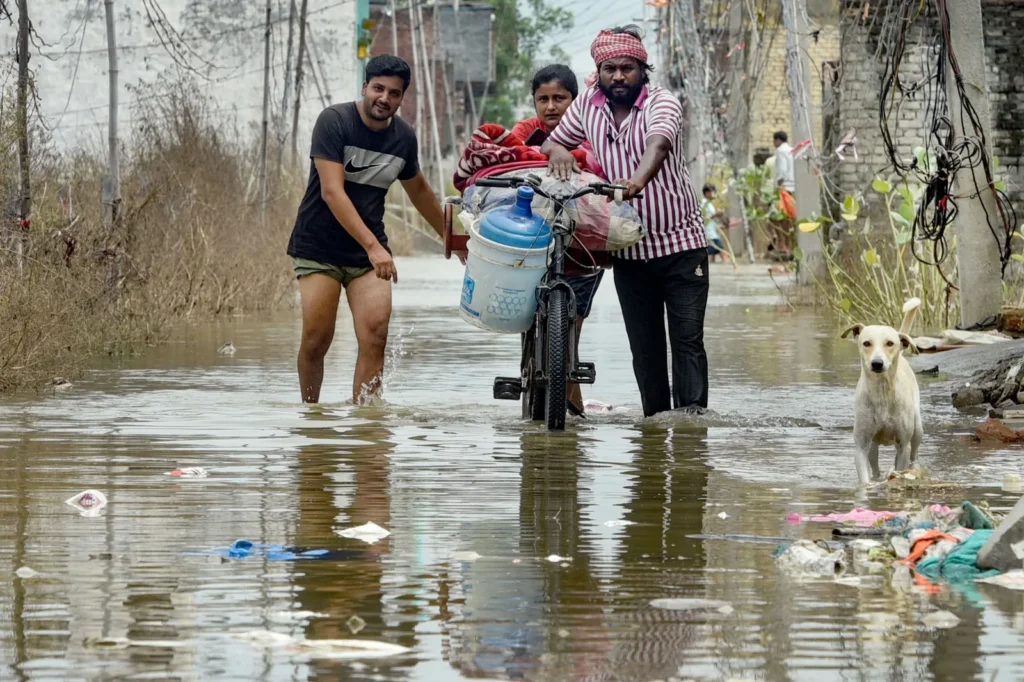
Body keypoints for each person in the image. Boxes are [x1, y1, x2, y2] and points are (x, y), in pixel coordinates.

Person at [542, 26, 710, 418]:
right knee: (646, 349)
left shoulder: (662, 102)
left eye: (628, 68)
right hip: (629, 252)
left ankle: (690, 431)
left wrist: (637, 180)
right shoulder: (587, 105)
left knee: (687, 343)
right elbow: (552, 139)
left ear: (642, 69)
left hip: (682, 247)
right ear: (599, 72)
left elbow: (659, 143)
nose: (619, 76)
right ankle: (654, 428)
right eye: (610, 68)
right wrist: (559, 152)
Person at [287, 54, 445, 404]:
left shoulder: (404, 137)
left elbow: (419, 190)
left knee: (375, 335)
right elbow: (332, 192)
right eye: (378, 89)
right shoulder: (335, 122)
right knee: (317, 339)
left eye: (394, 93)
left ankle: (366, 424)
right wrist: (375, 247)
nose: (384, 98)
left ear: (402, 98)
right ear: (365, 87)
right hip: (318, 247)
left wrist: (453, 239)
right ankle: (311, 417)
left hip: (367, 256)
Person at [512, 64, 604, 415]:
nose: (551, 106)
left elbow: (598, 166)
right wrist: (550, 152)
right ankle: (537, 382)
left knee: (573, 326)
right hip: (531, 241)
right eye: (543, 99)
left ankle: (573, 403)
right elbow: (509, 150)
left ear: (574, 101)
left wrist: (572, 155)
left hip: (581, 244)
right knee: (530, 317)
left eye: (560, 98)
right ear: (534, 103)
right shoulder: (526, 131)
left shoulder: (590, 137)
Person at [771, 130, 795, 258]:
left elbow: (781, 170)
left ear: (778, 140)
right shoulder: (791, 150)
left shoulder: (780, 151)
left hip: (783, 187)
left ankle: (782, 244)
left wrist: (779, 187)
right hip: (792, 187)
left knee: (776, 216)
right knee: (788, 217)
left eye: (774, 140)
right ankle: (787, 244)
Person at [701, 184, 730, 264]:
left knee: (711, 257)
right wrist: (715, 215)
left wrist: (721, 226)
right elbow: (702, 219)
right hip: (710, 235)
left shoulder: (709, 204)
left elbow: (710, 222)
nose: (714, 194)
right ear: (707, 193)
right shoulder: (704, 204)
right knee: (723, 254)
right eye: (713, 192)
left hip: (712, 234)